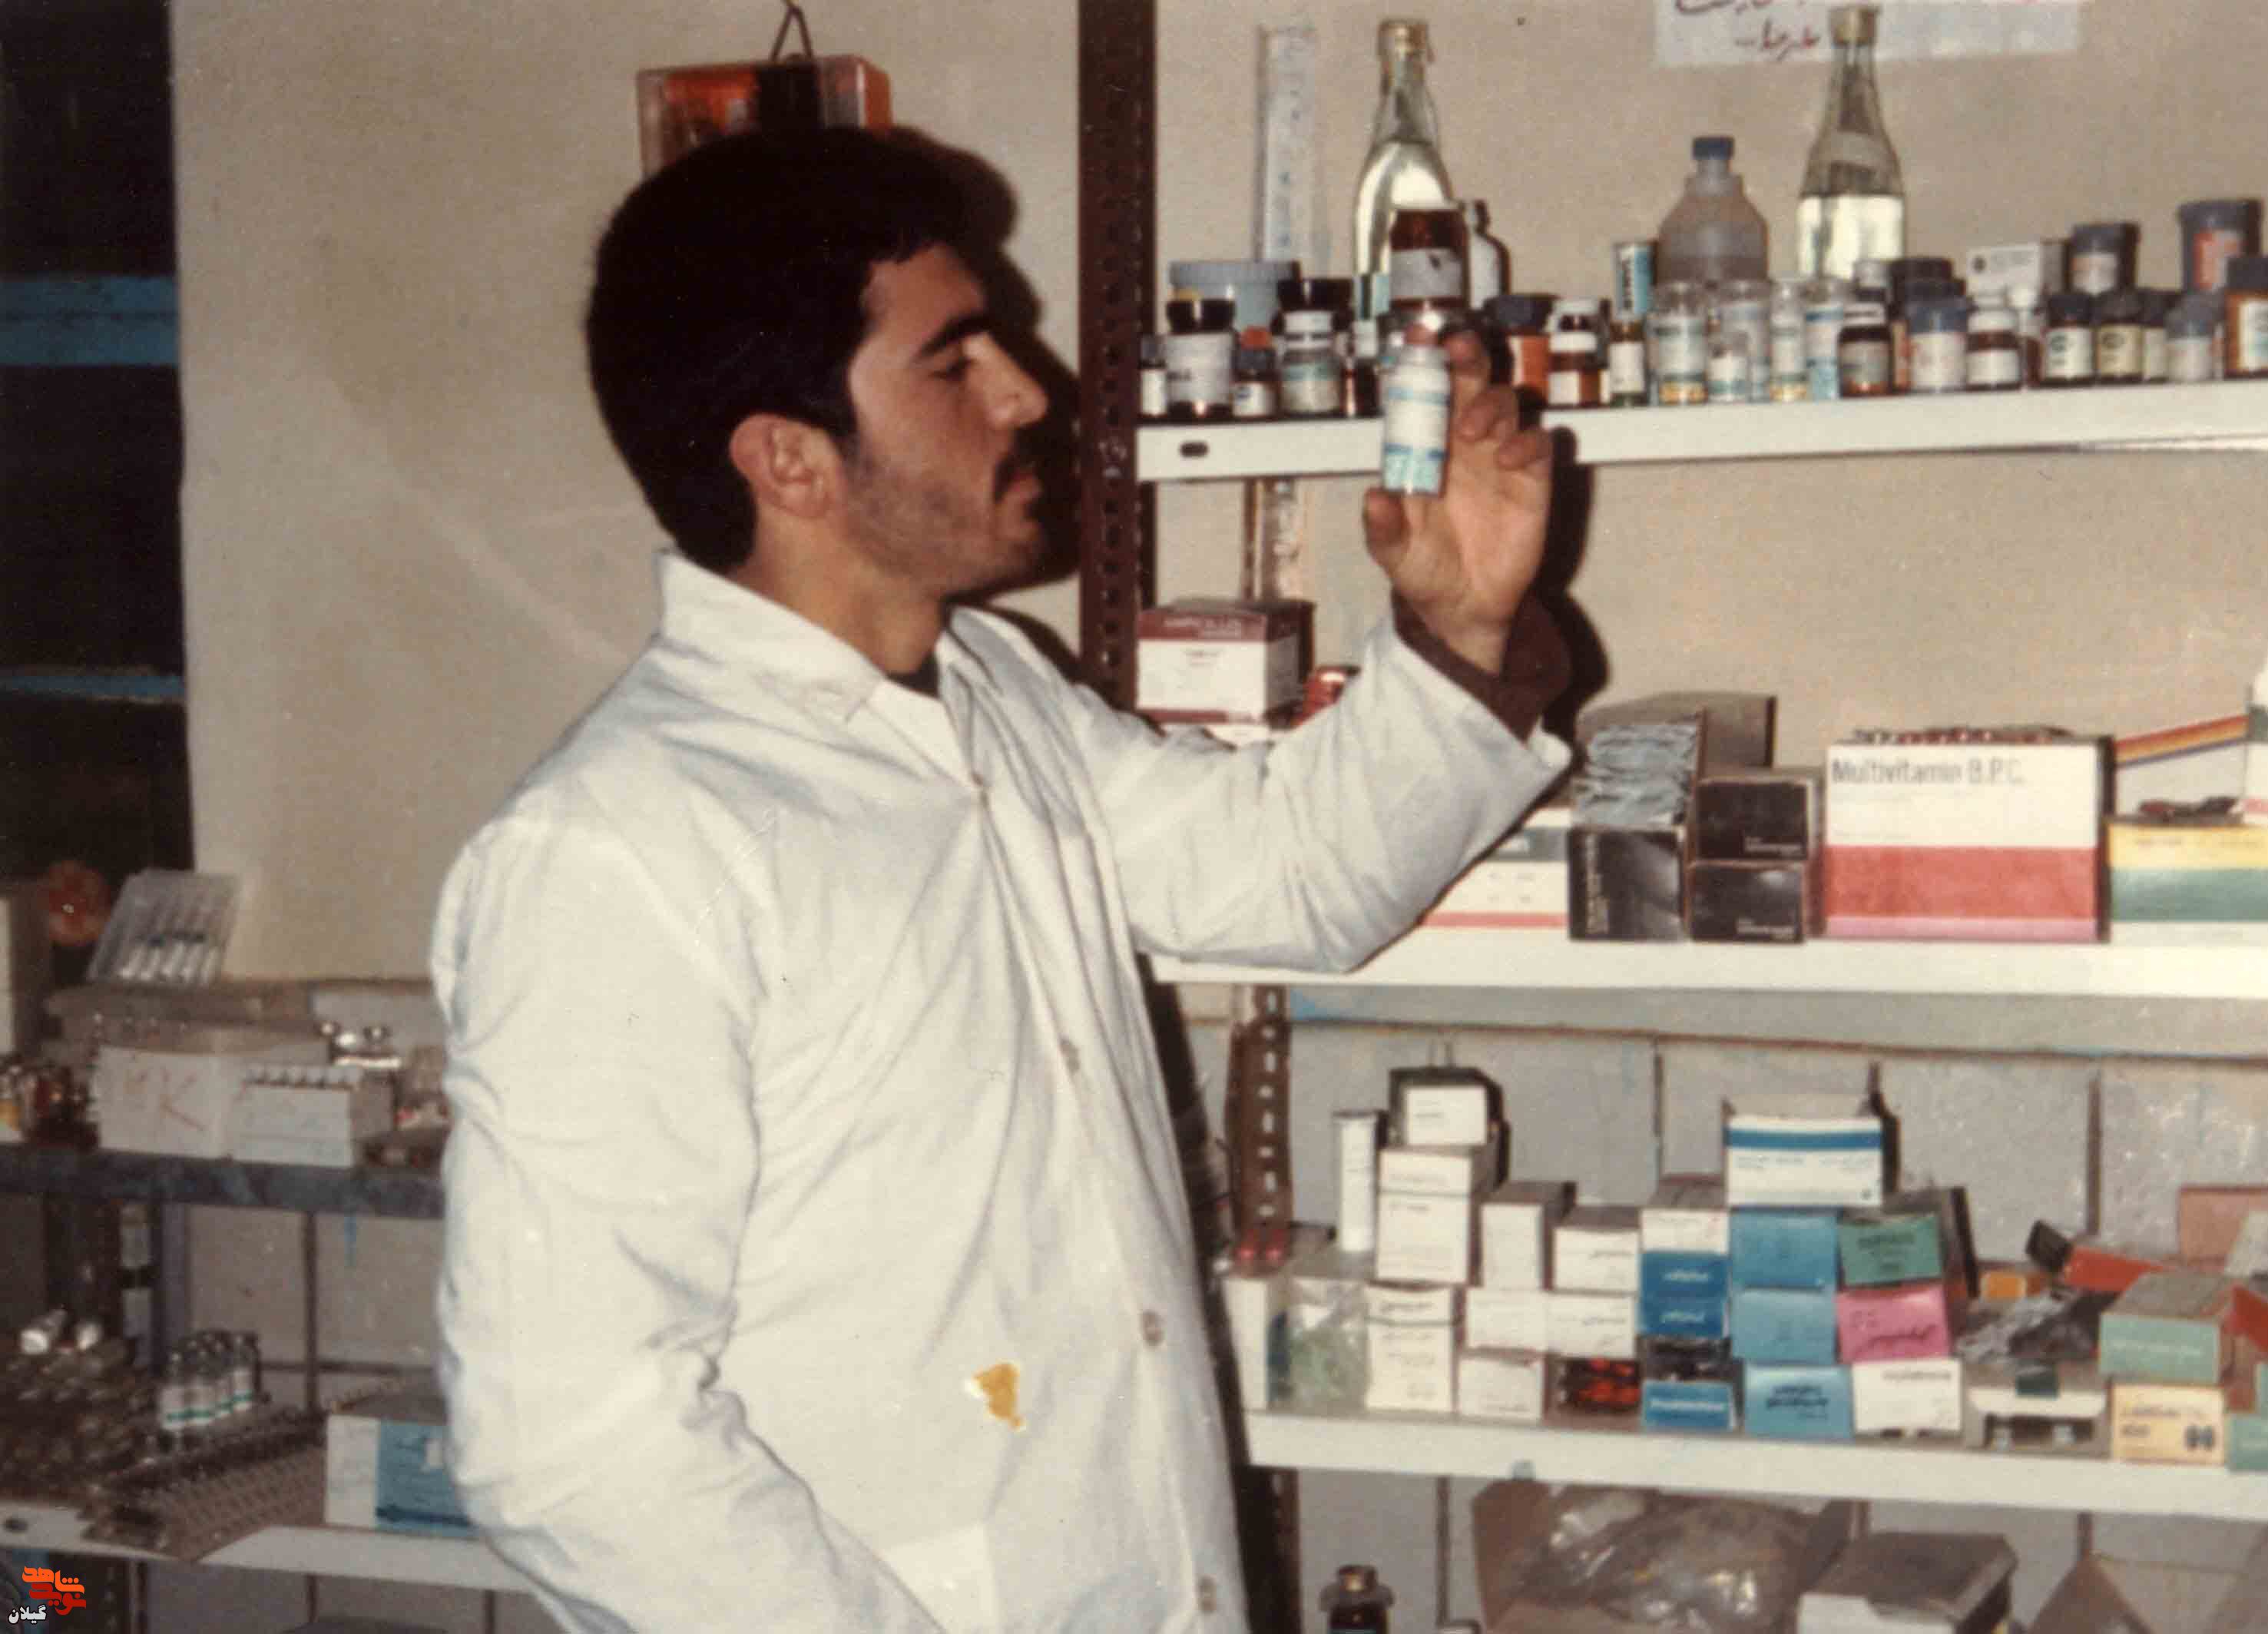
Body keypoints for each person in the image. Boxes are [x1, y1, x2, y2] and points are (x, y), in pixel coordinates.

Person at [430, 126, 1574, 1633]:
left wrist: (1460, 624)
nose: (1029, 393)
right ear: (788, 458)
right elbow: (572, 1447)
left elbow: (1284, 877)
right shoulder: (623, 845)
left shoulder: (992, 685)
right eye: (954, 361)